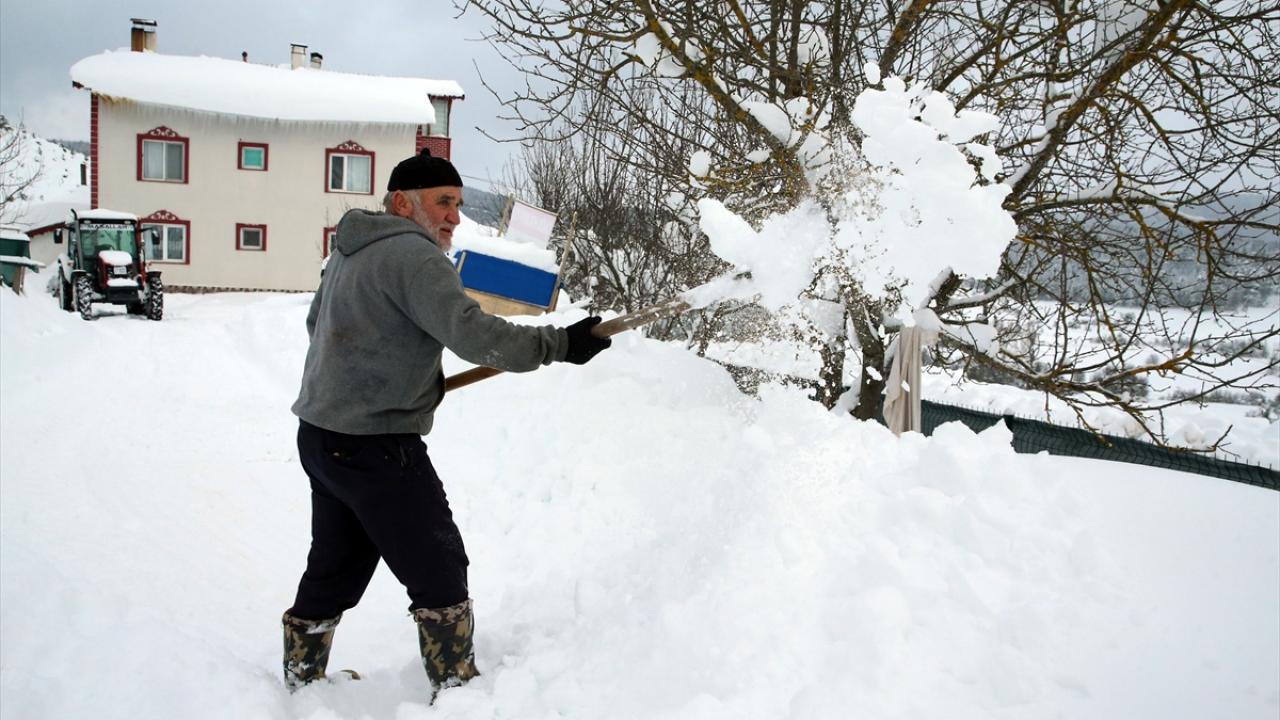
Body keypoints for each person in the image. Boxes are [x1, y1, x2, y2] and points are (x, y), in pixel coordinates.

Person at [281, 148, 611, 696]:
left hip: (322, 436)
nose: (454, 216)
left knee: (337, 561)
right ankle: (457, 688)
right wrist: (559, 344)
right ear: (402, 204)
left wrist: (380, 375)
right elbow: (474, 334)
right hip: (376, 444)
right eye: (443, 202)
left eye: (457, 203)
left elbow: (319, 325)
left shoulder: (349, 250)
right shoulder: (415, 256)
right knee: (437, 562)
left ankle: (303, 676)